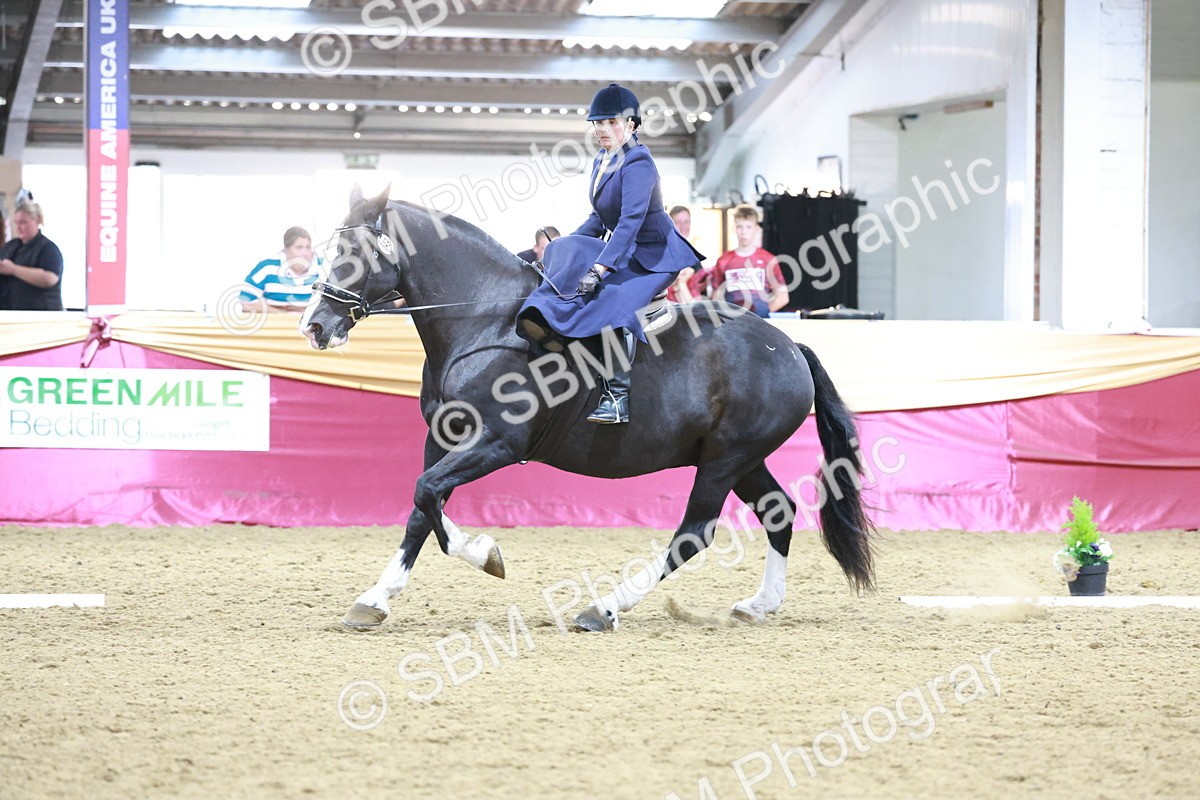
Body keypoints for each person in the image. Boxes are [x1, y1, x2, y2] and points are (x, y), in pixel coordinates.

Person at [516, 83, 704, 424]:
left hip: (654, 255)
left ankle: (616, 397)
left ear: (631, 124)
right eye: (598, 123)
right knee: (565, 249)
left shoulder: (639, 162)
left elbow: (630, 222)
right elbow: (599, 219)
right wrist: (559, 251)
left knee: (610, 298)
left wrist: (600, 268)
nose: (602, 129)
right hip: (625, 248)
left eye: (611, 122)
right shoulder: (603, 159)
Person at [710, 206, 789, 317]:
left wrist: (762, 314)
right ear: (734, 229)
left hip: (760, 323)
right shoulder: (723, 261)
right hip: (732, 324)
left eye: (749, 227)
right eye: (739, 227)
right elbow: (716, 297)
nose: (744, 232)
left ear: (756, 229)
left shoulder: (768, 260)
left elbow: (783, 296)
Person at [238, 226, 322, 313]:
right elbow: (246, 303)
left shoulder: (323, 268)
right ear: (286, 249)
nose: (305, 253)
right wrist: (282, 313)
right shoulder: (267, 267)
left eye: (308, 247)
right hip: (275, 324)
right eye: (299, 248)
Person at [0, 200, 64, 311]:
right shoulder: (9, 247)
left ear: (37, 220)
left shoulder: (49, 249)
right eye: (16, 223)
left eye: (23, 222)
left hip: (40, 315)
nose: (19, 227)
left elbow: (50, 278)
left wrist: (14, 270)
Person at [665, 205, 698, 304]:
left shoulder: (693, 255)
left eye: (686, 222)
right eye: (678, 222)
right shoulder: (663, 255)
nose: (683, 226)